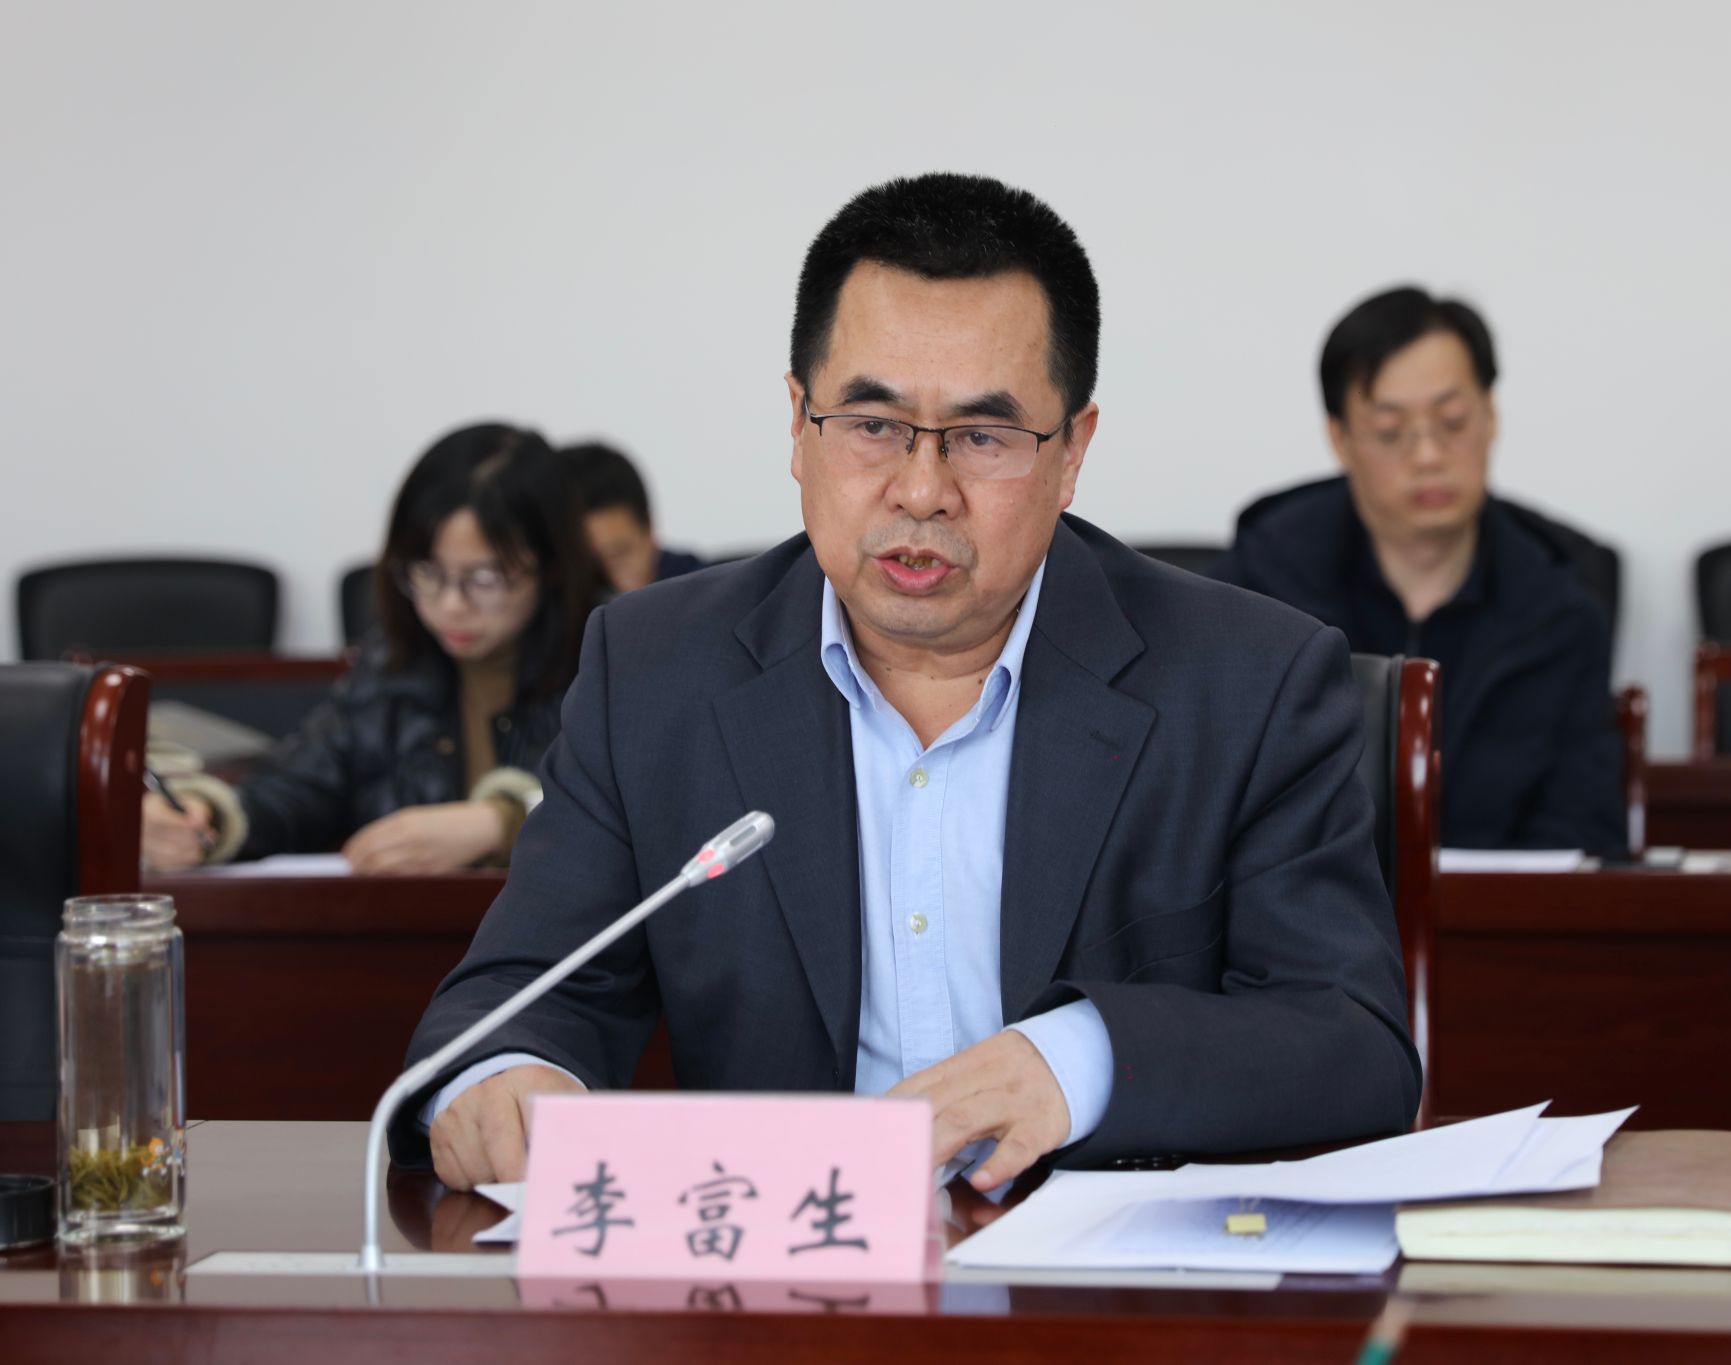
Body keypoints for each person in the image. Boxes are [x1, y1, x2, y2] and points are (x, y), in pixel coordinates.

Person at [396, 173, 1419, 1193]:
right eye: (872, 424)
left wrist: (1077, 1061)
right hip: (782, 1266)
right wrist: (504, 1076)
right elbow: (521, 992)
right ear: (798, 423)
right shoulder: (655, 671)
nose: (922, 491)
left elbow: (1350, 1041)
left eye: (984, 437)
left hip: (1101, 1276)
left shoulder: (1249, 682)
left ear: (1072, 453)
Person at [1207, 286, 1623, 851]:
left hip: (1495, 909)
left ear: (1490, 415)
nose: (1428, 456)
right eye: (1390, 431)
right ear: (1340, 439)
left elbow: (1584, 832)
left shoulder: (1562, 612)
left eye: (1452, 421)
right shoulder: (1255, 594)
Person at [141, 423, 602, 874]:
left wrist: (504, 821)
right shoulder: (392, 664)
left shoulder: (612, 657)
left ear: (552, 565)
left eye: (485, 578)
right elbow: (299, 786)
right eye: (426, 572)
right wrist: (207, 819)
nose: (450, 605)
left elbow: (625, 804)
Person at [560, 441, 705, 594]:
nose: (609, 576)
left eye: (618, 555)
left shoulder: (704, 592)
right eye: (589, 563)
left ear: (649, 529)